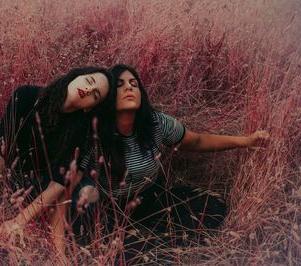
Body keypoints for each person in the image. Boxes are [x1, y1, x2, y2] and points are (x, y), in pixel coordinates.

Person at [72, 64, 269, 263]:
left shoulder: (155, 123)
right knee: (119, 253)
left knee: (212, 207)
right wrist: (85, 190)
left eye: (134, 84)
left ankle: (150, 243)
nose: (129, 88)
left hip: (150, 199)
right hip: (111, 211)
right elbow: (75, 179)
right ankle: (140, 246)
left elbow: (197, 141)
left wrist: (245, 141)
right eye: (120, 85)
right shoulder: (95, 133)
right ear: (107, 96)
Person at [0, 66, 114, 261]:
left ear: (89, 106)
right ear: (76, 76)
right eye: (89, 81)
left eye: (95, 94)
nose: (89, 90)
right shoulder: (26, 96)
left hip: (47, 188)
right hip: (16, 179)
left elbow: (58, 184)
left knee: (79, 205)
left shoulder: (83, 131)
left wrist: (19, 221)